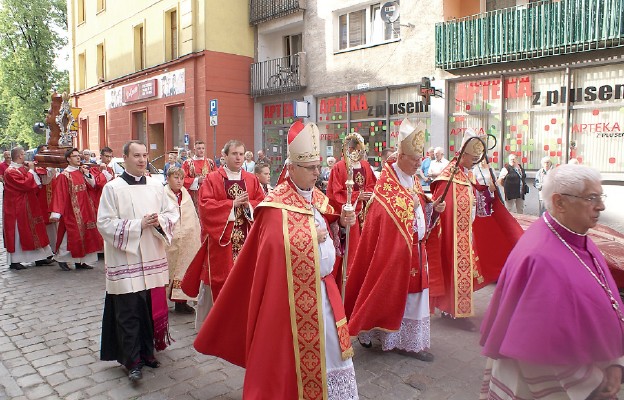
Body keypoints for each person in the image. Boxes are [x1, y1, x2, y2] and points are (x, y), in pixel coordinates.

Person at [191, 121, 359, 398]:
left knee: (333, 352)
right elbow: (275, 249)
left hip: (325, 293)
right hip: (292, 301)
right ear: (292, 169)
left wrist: (340, 222)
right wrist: (309, 236)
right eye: (311, 168)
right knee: (291, 363)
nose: (318, 173)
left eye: (318, 166)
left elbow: (329, 225)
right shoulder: (275, 205)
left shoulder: (317, 196)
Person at [479, 164, 624, 400]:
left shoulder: (578, 237)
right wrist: (593, 385)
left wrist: (615, 362)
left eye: (601, 196)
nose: (601, 205)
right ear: (560, 202)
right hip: (554, 383)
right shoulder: (539, 258)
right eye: (591, 198)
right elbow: (538, 346)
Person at [346, 119, 445, 362]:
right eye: (414, 160)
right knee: (391, 293)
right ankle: (391, 338)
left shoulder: (413, 179)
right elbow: (383, 215)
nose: (418, 164)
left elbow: (420, 207)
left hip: (416, 250)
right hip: (395, 252)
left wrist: (433, 208)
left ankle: (408, 340)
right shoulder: (387, 185)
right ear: (400, 156)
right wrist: (408, 207)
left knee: (416, 296)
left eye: (419, 159)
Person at [97, 140, 179, 382]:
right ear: (125, 158)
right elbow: (104, 223)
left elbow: (172, 212)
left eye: (145, 155)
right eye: (136, 156)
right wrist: (137, 226)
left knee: (147, 309)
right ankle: (132, 360)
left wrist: (159, 222)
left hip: (151, 255)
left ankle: (147, 352)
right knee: (128, 312)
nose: (142, 160)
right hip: (126, 259)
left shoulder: (156, 186)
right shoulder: (112, 188)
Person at [428, 130, 523, 332]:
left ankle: (455, 310)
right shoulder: (448, 176)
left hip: (464, 234)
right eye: (472, 158)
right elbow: (440, 206)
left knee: (464, 272)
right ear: (463, 155)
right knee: (453, 271)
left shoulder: (465, 173)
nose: (474, 162)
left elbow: (474, 198)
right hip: (451, 237)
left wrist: (487, 192)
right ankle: (453, 312)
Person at [181, 140, 265, 328]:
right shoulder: (213, 178)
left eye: (241, 154)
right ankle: (211, 325)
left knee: (245, 281)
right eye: (234, 153)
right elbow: (205, 206)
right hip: (222, 243)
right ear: (224, 156)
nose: (238, 157)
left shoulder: (251, 179)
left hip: (246, 241)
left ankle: (242, 323)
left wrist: (248, 205)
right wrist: (231, 205)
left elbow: (262, 202)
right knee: (217, 282)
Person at [327, 134, 377, 276]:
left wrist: (367, 194)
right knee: (352, 253)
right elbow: (336, 193)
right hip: (350, 216)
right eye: (356, 149)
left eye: (361, 150)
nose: (359, 153)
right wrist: (357, 196)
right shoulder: (339, 167)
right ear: (349, 149)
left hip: (366, 216)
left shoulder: (366, 165)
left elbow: (373, 185)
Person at [50, 148, 103, 271]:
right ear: (68, 159)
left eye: (79, 156)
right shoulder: (64, 175)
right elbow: (60, 194)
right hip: (72, 210)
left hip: (86, 208)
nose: (78, 158)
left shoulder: (81, 172)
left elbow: (93, 186)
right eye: (75, 156)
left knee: (86, 235)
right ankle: (61, 258)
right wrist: (56, 212)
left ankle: (82, 261)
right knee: (71, 235)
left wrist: (86, 174)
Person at [3, 147, 53, 270]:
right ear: (20, 156)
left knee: (36, 229)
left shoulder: (21, 169)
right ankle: (15, 260)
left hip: (29, 204)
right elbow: (25, 185)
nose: (25, 156)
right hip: (17, 207)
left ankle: (40, 257)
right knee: (19, 233)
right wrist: (30, 171)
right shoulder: (10, 171)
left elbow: (35, 185)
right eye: (24, 154)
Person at [164, 166, 200, 314]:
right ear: (168, 179)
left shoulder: (186, 196)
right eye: (175, 178)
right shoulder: (162, 195)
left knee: (184, 269)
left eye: (181, 178)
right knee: (167, 269)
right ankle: (161, 302)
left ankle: (181, 301)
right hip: (169, 239)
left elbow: (192, 216)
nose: (179, 181)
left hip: (186, 238)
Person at [182, 141, 216, 211]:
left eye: (203, 148)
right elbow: (182, 179)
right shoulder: (187, 163)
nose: (201, 150)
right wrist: (197, 180)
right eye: (199, 148)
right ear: (194, 150)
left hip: (208, 195)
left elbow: (217, 177)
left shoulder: (210, 162)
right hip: (193, 195)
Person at [90, 147, 115, 212]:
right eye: (107, 156)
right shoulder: (94, 169)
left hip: (109, 197)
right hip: (98, 198)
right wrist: (103, 171)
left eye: (110, 157)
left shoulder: (110, 169)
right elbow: (100, 184)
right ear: (101, 156)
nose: (109, 159)